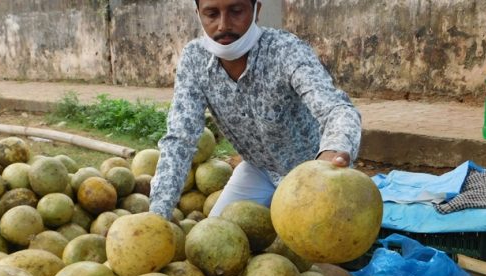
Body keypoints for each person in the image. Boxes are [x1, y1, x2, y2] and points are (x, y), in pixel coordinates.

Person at [149, 0, 361, 219]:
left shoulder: (285, 50)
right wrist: (157, 214)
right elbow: (180, 139)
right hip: (259, 171)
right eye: (212, 14)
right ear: (199, 15)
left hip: (313, 174)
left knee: (319, 245)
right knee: (217, 233)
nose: (223, 25)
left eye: (236, 11)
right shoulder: (195, 59)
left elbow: (337, 109)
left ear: (256, 10)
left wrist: (332, 152)